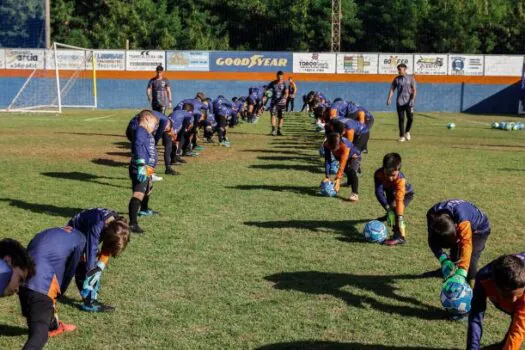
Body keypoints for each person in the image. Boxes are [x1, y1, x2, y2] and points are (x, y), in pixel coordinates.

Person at [18, 226, 86, 349]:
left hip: (22, 283)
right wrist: (60, 292)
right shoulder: (81, 239)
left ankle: (54, 325)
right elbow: (71, 270)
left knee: (38, 318)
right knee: (40, 335)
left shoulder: (53, 231)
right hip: (40, 286)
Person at [68, 208, 130, 312]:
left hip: (91, 228)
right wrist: (91, 275)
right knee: (85, 264)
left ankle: (91, 299)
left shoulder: (117, 224)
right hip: (75, 231)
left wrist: (99, 267)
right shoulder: (96, 227)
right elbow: (91, 256)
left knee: (93, 269)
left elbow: (106, 248)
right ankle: (89, 302)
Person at [467, 253, 525, 350]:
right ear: (495, 285)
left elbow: (519, 328)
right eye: (509, 295)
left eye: (518, 295)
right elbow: (476, 316)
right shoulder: (484, 278)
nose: (514, 300)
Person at [427, 200, 491, 286]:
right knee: (454, 256)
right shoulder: (432, 215)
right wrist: (442, 258)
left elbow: (466, 244)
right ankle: (446, 270)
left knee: (471, 260)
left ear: (456, 227)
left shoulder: (462, 221)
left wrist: (462, 271)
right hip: (459, 223)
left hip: (480, 229)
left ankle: (473, 288)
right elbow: (432, 239)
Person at [128, 110, 158, 234]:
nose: (155, 127)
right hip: (141, 167)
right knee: (139, 193)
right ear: (146, 119)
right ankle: (132, 223)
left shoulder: (146, 132)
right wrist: (141, 163)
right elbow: (137, 145)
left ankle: (144, 209)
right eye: (154, 124)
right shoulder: (141, 130)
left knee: (148, 189)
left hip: (148, 168)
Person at [374, 153, 414, 246]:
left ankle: (400, 237)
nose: (390, 178)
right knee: (391, 209)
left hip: (406, 195)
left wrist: (399, 216)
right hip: (390, 192)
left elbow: (399, 200)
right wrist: (387, 208)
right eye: (387, 174)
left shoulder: (401, 180)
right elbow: (378, 192)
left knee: (396, 211)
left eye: (393, 175)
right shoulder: (378, 174)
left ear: (398, 170)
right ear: (383, 168)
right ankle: (388, 214)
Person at [322, 132, 361, 202]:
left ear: (339, 143)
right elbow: (327, 159)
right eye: (332, 148)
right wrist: (327, 176)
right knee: (347, 171)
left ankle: (355, 194)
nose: (333, 150)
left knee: (352, 172)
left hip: (354, 156)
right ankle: (349, 183)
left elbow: (342, 164)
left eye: (335, 148)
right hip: (340, 157)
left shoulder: (345, 146)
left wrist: (338, 179)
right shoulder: (326, 144)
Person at [386, 63, 416, 142]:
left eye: (400, 69)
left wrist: (412, 99)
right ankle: (402, 136)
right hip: (399, 102)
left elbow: (414, 90)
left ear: (405, 69)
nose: (399, 71)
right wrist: (389, 98)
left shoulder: (411, 78)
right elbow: (392, 89)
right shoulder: (396, 79)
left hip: (409, 102)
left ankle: (407, 131)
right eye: (398, 70)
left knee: (410, 118)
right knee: (401, 119)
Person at [266, 71, 289, 136]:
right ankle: (273, 130)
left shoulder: (285, 83)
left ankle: (279, 130)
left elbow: (286, 92)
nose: (280, 77)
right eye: (278, 76)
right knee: (273, 115)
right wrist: (267, 93)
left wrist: (285, 97)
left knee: (281, 117)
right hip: (274, 102)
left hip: (282, 103)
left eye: (281, 76)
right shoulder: (272, 83)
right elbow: (267, 89)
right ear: (276, 76)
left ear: (283, 76)